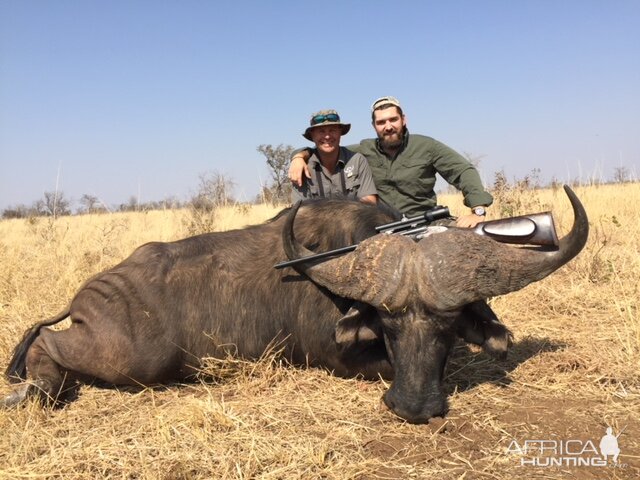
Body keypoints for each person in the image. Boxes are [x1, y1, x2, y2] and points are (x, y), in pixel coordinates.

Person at [289, 96, 492, 228]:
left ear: (403, 120)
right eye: (381, 122)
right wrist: (299, 156)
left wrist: (478, 210)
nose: (388, 126)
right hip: (383, 228)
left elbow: (463, 170)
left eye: (393, 120)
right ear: (374, 126)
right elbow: (328, 148)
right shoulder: (363, 151)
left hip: (426, 222)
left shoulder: (426, 146)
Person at [291, 109, 377, 205]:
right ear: (312, 135)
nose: (327, 136)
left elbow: (370, 203)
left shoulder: (357, 160)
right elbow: (300, 211)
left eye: (332, 130)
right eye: (321, 131)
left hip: (352, 220)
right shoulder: (301, 167)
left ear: (340, 133)